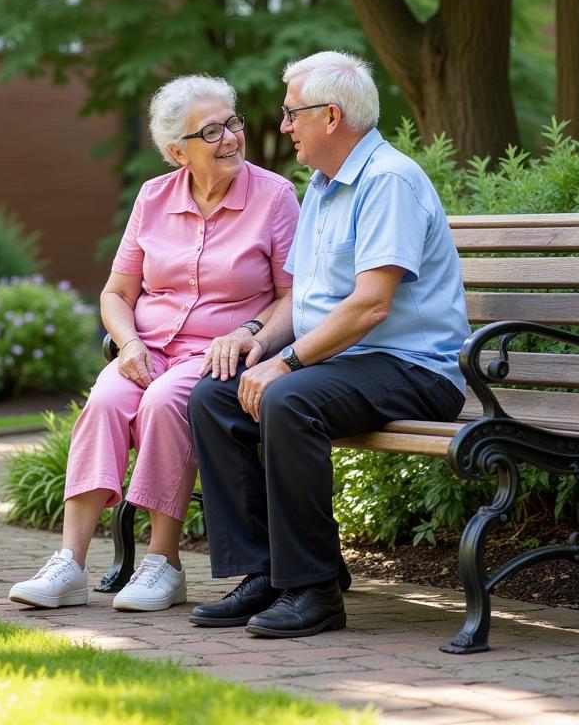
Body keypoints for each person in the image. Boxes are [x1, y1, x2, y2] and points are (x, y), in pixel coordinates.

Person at [187, 51, 469, 637]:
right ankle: (262, 573)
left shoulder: (388, 180)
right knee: (213, 394)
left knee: (290, 400)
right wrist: (256, 341)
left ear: (331, 116)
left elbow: (372, 304)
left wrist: (286, 363)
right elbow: (307, 303)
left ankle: (314, 590)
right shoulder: (321, 186)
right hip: (349, 364)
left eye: (293, 114)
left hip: (415, 369)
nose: (284, 126)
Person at [9, 75, 299, 613]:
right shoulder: (153, 198)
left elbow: (292, 298)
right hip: (148, 349)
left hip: (219, 353)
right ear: (176, 152)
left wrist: (248, 334)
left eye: (232, 122)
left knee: (168, 403)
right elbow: (116, 293)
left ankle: (163, 563)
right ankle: (69, 564)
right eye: (211, 131)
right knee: (104, 403)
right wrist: (128, 344)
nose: (232, 137)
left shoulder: (275, 197)